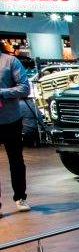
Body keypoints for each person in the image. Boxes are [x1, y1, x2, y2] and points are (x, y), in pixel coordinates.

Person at [0, 46, 32, 214]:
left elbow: (25, 88)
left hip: (10, 119)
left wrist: (2, 92)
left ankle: (20, 197)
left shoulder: (10, 61)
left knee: (16, 161)